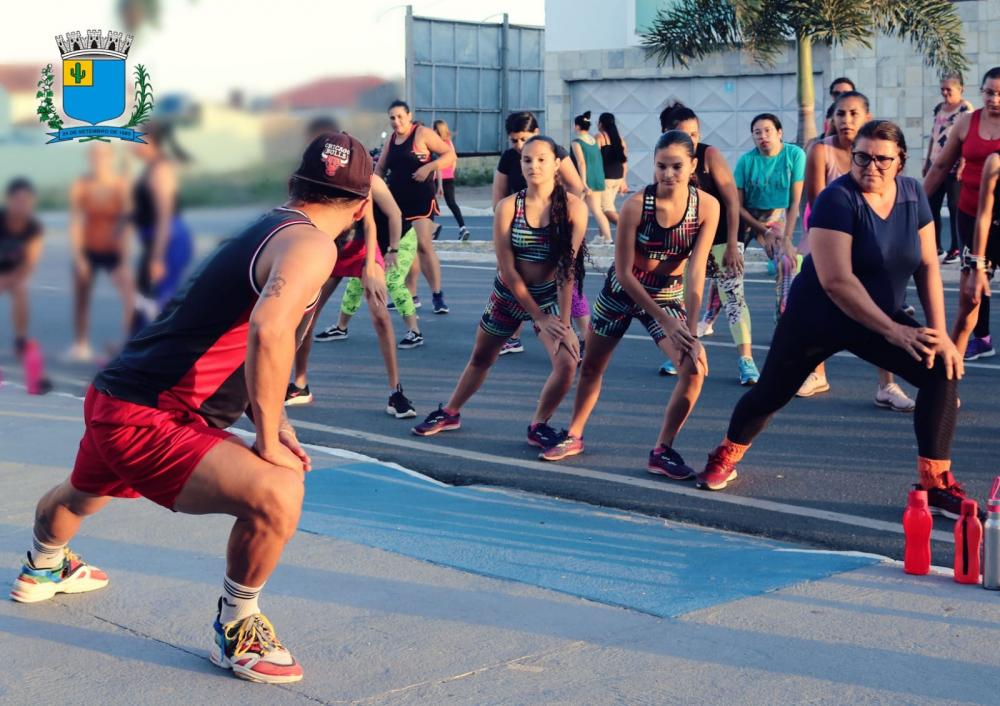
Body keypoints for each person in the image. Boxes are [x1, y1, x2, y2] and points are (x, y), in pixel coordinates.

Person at [9, 133, 374, 684]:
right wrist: (270, 438)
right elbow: (269, 331)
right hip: (153, 415)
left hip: (117, 396)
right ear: (362, 205)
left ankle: (42, 564)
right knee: (279, 491)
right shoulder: (314, 246)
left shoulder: (267, 226)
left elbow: (230, 336)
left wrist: (276, 418)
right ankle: (238, 626)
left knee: (84, 493)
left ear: (293, 185)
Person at [698, 120, 971, 519]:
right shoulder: (836, 199)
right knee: (771, 394)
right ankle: (727, 450)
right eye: (862, 157)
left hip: (876, 313)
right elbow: (837, 282)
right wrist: (895, 331)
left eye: (882, 159)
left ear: (900, 162)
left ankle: (935, 484)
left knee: (940, 367)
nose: (870, 166)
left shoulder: (913, 194)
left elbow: (928, 265)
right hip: (818, 316)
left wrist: (941, 334)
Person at [541, 131, 718, 481]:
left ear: (693, 165)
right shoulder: (636, 205)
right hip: (622, 293)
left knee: (695, 368)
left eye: (677, 166)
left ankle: (662, 449)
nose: (668, 174)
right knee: (591, 367)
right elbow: (623, 273)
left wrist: (691, 329)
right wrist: (666, 322)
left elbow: (697, 271)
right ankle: (574, 433)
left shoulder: (707, 207)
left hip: (667, 295)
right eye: (661, 166)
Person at [412, 136, 588, 445]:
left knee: (567, 362)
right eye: (527, 160)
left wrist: (563, 323)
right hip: (508, 295)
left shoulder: (574, 208)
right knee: (482, 358)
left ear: (557, 164)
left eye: (542, 159)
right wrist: (537, 317)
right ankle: (451, 411)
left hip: (549, 297)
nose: (534, 166)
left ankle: (539, 425)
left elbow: (567, 269)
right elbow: (507, 269)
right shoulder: (508, 207)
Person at [803, 91, 915, 411]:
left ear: (866, 118)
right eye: (840, 113)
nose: (846, 120)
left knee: (887, 308)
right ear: (832, 118)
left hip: (872, 243)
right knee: (820, 310)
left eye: (853, 113)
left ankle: (887, 385)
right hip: (832, 242)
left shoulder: (879, 153)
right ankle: (816, 372)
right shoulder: (820, 151)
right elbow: (815, 203)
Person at [657, 102, 759, 386]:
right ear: (666, 134)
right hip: (689, 241)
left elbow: (731, 201)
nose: (691, 139)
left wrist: (732, 245)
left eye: (695, 133)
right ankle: (684, 353)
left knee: (733, 298)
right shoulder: (665, 161)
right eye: (683, 133)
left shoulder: (708, 155)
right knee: (683, 298)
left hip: (723, 237)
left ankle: (746, 360)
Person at [492, 111, 587, 357]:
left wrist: (560, 213)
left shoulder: (554, 152)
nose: (519, 145)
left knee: (567, 282)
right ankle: (514, 336)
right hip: (522, 224)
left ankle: (581, 336)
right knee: (517, 278)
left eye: (524, 138)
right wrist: (509, 223)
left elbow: (577, 187)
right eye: (514, 141)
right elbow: (499, 194)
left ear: (536, 133)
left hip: (557, 224)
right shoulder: (510, 159)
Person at [925, 67, 1000, 361]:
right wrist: (913, 202)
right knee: (972, 287)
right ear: (981, 92)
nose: (994, 98)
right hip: (971, 213)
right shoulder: (968, 122)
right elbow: (941, 166)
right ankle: (977, 339)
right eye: (989, 92)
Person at [734, 113, 807, 384]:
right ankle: (710, 314)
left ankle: (784, 318)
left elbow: (794, 202)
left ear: (779, 132)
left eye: (767, 131)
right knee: (729, 264)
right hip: (747, 217)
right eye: (756, 132)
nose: (762, 136)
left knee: (789, 261)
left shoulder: (794, 156)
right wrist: (760, 231)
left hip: (776, 216)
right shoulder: (746, 161)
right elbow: (737, 206)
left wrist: (786, 237)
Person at [375, 100, 455, 315]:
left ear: (409, 116)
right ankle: (411, 295)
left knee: (423, 244)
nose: (396, 121)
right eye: (392, 117)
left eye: (400, 116)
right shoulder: (391, 140)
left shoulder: (422, 133)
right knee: (406, 249)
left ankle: (437, 295)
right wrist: (372, 188)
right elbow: (381, 168)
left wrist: (429, 166)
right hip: (398, 202)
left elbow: (449, 155)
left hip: (421, 199)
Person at [66, 142, 135, 362]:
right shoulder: (81, 185)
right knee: (82, 297)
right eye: (94, 155)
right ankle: (81, 344)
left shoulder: (120, 185)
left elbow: (126, 223)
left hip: (113, 250)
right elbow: (76, 221)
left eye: (103, 155)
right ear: (89, 157)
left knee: (130, 296)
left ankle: (128, 342)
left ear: (111, 157)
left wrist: (124, 258)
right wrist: (78, 257)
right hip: (88, 248)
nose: (99, 159)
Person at [131, 121, 193, 332]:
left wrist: (158, 258)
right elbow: (143, 209)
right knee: (143, 297)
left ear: (149, 140)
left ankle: (152, 353)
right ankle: (133, 349)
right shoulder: (151, 168)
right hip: (156, 240)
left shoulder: (161, 170)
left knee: (158, 301)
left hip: (168, 241)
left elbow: (163, 216)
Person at [951, 150, 1000, 362]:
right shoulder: (995, 161)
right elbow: (984, 215)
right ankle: (945, 383)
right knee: (968, 307)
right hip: (992, 237)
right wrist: (978, 266)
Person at [0, 178, 48, 377]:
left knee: (21, 289)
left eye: (26, 200)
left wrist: (10, 279)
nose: (22, 205)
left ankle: (20, 339)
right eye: (18, 200)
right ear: (9, 200)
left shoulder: (33, 227)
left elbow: (30, 262)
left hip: (14, 272)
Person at [924, 72, 974, 263]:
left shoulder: (965, 109)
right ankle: (935, 246)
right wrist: (927, 160)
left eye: (949, 89)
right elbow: (933, 135)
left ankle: (955, 248)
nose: (945, 93)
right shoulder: (939, 108)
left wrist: (963, 162)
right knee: (930, 205)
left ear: (960, 89)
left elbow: (967, 136)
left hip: (954, 167)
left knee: (955, 207)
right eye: (942, 89)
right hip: (937, 165)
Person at [571, 111, 613, 245]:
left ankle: (607, 239)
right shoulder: (593, 140)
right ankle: (605, 238)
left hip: (586, 180)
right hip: (597, 178)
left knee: (576, 211)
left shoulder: (576, 142)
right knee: (596, 211)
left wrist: (583, 183)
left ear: (577, 127)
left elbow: (581, 162)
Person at [432, 120, 470, 241]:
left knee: (429, 205)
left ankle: (432, 229)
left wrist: (440, 185)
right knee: (452, 204)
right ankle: (463, 227)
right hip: (449, 177)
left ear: (437, 130)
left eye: (434, 129)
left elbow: (437, 166)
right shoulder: (449, 143)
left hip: (438, 179)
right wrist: (450, 173)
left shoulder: (437, 144)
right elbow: (454, 161)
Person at [596, 112, 629, 225]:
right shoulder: (620, 140)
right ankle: (604, 237)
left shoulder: (599, 137)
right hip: (618, 177)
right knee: (604, 208)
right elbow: (624, 162)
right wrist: (624, 181)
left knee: (606, 209)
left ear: (600, 124)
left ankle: (627, 227)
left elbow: (595, 160)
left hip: (606, 178)